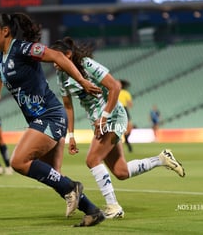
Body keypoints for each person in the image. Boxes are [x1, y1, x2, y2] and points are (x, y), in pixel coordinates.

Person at [0, 12, 105, 227]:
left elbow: (58, 57)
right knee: (55, 176)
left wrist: (82, 80)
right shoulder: (0, 63)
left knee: (18, 161)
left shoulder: (23, 49)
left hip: (50, 115)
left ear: (5, 31)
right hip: (40, 119)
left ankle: (73, 188)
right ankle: (93, 211)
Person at [50, 37, 185, 219]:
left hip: (112, 116)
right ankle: (161, 159)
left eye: (56, 58)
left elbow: (114, 87)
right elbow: (68, 106)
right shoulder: (61, 76)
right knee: (121, 172)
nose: (53, 63)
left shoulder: (87, 64)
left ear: (68, 55)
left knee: (92, 159)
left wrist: (104, 117)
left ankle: (114, 206)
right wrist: (71, 135)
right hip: (98, 122)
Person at [118, 79, 134, 152]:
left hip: (117, 109)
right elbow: (130, 104)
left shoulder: (116, 91)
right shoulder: (126, 93)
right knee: (129, 126)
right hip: (124, 110)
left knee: (119, 127)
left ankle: (124, 139)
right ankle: (126, 139)